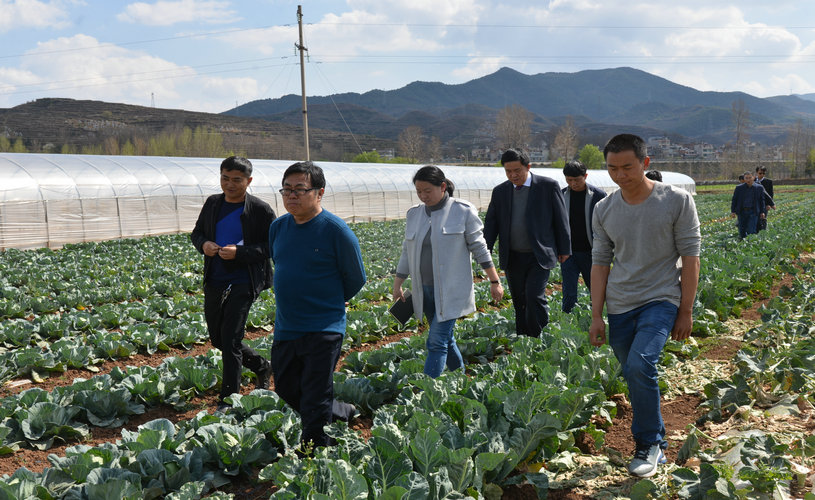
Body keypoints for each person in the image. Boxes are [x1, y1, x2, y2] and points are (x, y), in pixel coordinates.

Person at [589, 134, 701, 478]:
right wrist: (596, 315)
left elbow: (691, 255)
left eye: (627, 167)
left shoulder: (676, 200)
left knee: (639, 366)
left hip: (661, 298)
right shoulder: (604, 209)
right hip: (620, 303)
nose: (620, 175)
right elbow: (600, 262)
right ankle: (654, 437)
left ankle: (650, 443)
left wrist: (686, 309)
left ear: (645, 163)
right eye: (612, 168)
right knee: (634, 372)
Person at [268, 161, 366, 449]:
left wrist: (330, 302)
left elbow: (356, 277)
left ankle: (315, 450)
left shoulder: (335, 230)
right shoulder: (278, 227)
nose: (291, 196)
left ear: (319, 192)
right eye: (286, 190)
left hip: (324, 325)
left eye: (300, 189)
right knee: (286, 388)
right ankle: (339, 411)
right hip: (287, 325)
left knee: (314, 391)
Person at [393, 166, 504, 378]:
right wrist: (398, 283)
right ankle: (460, 377)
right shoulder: (414, 214)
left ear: (442, 187)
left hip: (452, 292)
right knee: (445, 338)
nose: (423, 196)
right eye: (419, 191)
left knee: (435, 342)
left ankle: (428, 391)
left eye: (428, 190)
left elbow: (480, 248)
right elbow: (407, 251)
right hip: (424, 290)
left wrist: (494, 281)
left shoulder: (462, 210)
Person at [191, 156, 277, 412]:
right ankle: (262, 366)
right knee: (217, 339)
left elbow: (271, 246)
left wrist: (240, 254)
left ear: (248, 181)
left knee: (230, 340)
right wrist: (204, 245)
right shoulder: (213, 203)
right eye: (225, 178)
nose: (229, 184)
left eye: (236, 180)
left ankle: (229, 399)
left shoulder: (260, 210)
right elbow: (197, 233)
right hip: (215, 278)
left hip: (244, 281)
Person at [484, 149, 571, 337]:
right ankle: (522, 337)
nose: (513, 175)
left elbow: (560, 219)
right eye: (508, 171)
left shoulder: (547, 186)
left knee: (534, 296)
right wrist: (486, 249)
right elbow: (491, 222)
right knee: (518, 300)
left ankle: (539, 335)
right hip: (513, 255)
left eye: (517, 170)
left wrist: (565, 248)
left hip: (539, 254)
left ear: (528, 167)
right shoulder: (500, 191)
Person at [560, 160, 606, 313]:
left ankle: (599, 319)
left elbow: (606, 224)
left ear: (585, 176)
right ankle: (568, 323)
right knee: (569, 293)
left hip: (591, 253)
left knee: (596, 290)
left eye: (577, 180)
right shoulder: (561, 195)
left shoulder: (598, 196)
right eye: (569, 180)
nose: (573, 183)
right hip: (568, 254)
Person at [730, 171, 767, 239]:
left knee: (751, 230)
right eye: (746, 178)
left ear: (753, 177)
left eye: (750, 178)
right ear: (744, 178)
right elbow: (734, 200)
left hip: (753, 211)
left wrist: (762, 212)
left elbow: (762, 201)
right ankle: (743, 244)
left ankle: (750, 245)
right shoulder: (739, 188)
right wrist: (733, 211)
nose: (748, 180)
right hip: (742, 212)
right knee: (742, 230)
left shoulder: (759, 188)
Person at [754, 166, 775, 231]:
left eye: (763, 173)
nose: (762, 175)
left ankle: (763, 233)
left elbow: (770, 194)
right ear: (757, 172)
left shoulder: (768, 182)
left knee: (763, 219)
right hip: (754, 204)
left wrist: (769, 204)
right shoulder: (752, 181)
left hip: (764, 204)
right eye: (760, 173)